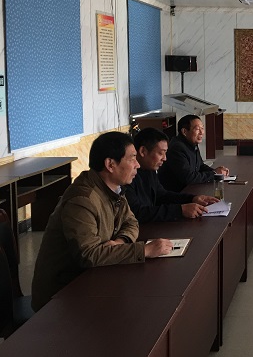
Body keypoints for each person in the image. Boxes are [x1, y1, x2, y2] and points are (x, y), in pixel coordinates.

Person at [32, 132, 172, 310]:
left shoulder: (114, 189)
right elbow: (89, 255)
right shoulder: (82, 200)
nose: (137, 164)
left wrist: (120, 242)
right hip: (61, 298)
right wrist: (144, 250)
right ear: (110, 164)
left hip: (92, 281)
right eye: (132, 159)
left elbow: (131, 222)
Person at [126, 127, 218, 222]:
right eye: (161, 153)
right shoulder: (126, 176)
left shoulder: (149, 169)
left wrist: (192, 199)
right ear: (142, 151)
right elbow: (137, 212)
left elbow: (162, 195)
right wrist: (180, 210)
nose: (164, 158)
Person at [158, 114, 229, 192]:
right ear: (184, 131)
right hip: (177, 193)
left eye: (202, 128)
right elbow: (188, 178)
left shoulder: (192, 143)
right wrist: (214, 173)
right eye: (197, 129)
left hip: (189, 189)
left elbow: (200, 166)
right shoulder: (177, 148)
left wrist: (217, 172)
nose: (201, 132)